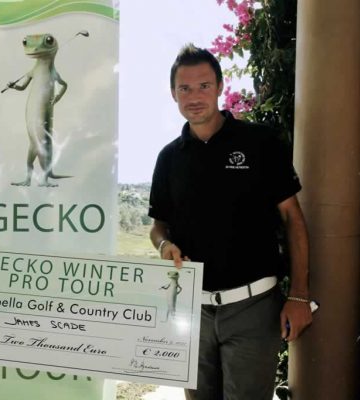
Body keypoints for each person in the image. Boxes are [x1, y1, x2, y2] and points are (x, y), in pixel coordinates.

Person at [148, 44, 313, 400]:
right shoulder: (168, 158)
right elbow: (158, 226)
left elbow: (293, 218)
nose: (194, 97)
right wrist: (164, 244)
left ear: (220, 87)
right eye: (184, 88)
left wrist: (299, 296)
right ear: (173, 93)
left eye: (204, 86)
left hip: (253, 307)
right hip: (192, 311)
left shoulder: (260, 142)